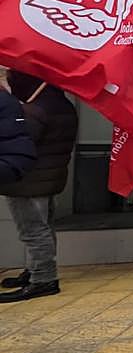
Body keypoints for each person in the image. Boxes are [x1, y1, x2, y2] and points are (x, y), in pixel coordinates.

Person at [0, 70, 75, 302]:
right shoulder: (62, 105)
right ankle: (35, 270)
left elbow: (18, 140)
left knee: (33, 231)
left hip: (28, 182)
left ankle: (43, 278)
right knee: (44, 228)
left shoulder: (34, 111)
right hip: (48, 179)